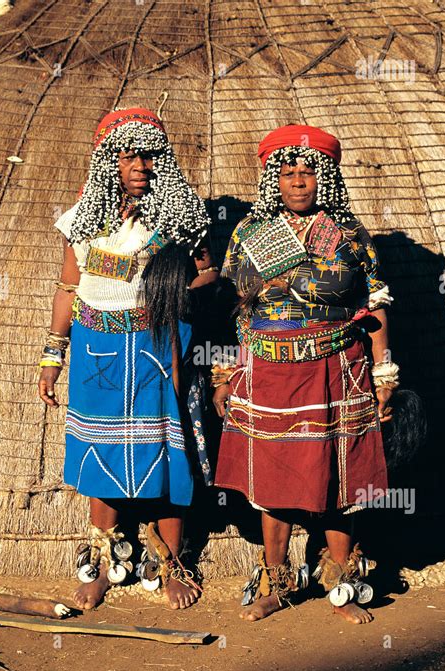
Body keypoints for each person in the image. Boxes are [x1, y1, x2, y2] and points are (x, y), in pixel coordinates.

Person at [213, 125, 399, 624]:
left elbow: (374, 305)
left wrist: (384, 371)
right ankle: (278, 582)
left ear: (325, 178)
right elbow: (231, 310)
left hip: (338, 368)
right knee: (273, 475)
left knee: (342, 475)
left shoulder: (348, 236)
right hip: (268, 368)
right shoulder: (249, 234)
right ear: (275, 179)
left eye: (308, 172)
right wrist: (224, 374)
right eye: (288, 172)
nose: (298, 181)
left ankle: (342, 580)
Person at [38, 108, 217, 611]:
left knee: (165, 448)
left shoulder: (180, 220)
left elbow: (210, 274)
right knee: (101, 456)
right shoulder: (83, 222)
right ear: (107, 162)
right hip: (99, 349)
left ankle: (171, 562)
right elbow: (69, 288)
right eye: (130, 155)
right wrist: (53, 355)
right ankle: (102, 560)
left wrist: (174, 284)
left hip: (160, 347)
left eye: (150, 155)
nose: (141, 165)